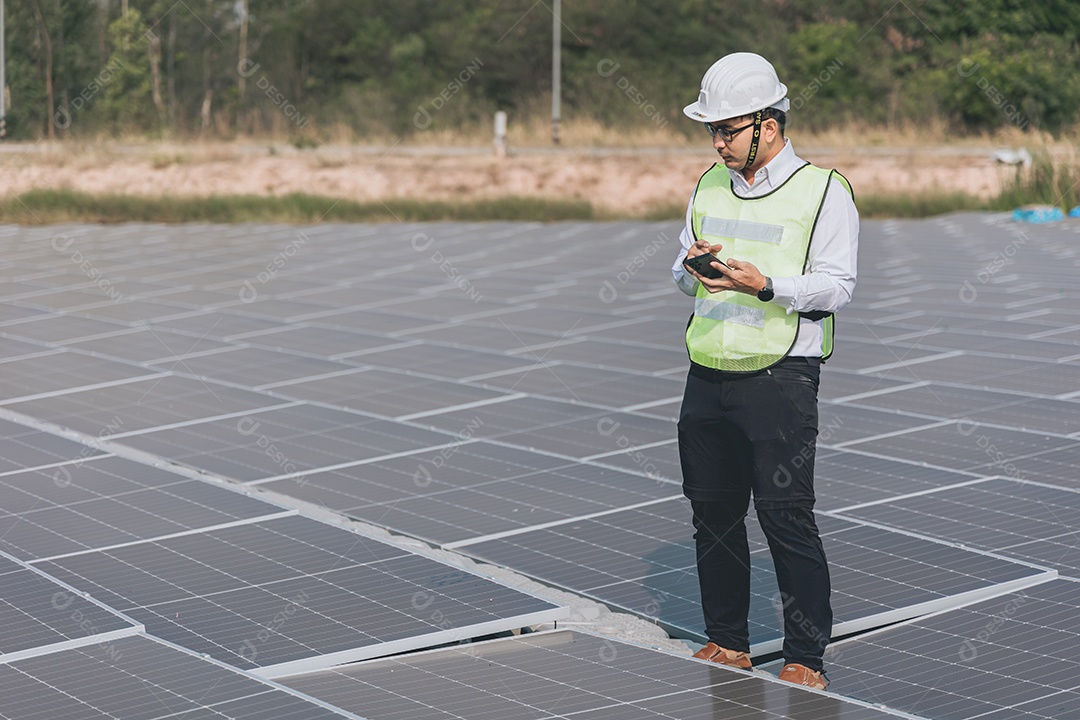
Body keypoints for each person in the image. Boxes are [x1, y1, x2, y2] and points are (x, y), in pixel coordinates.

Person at [672, 52, 858, 690]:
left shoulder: (825, 191)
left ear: (768, 126)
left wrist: (766, 286)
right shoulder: (707, 184)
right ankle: (728, 642)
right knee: (713, 515)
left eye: (727, 130)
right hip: (708, 372)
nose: (718, 142)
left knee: (785, 516)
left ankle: (806, 655)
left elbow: (837, 287)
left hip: (781, 379)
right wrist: (692, 265)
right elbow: (678, 276)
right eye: (712, 131)